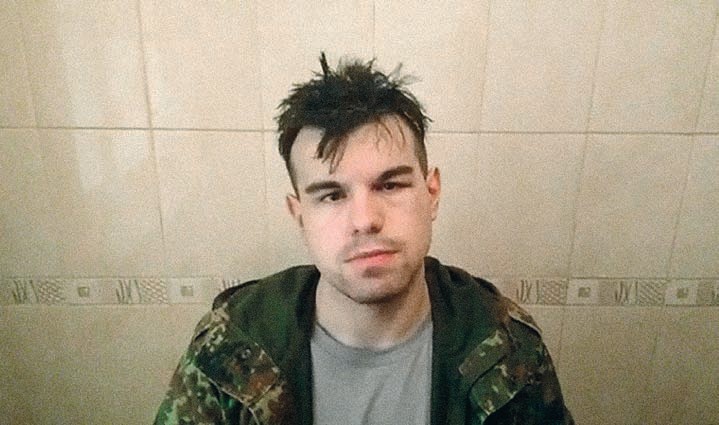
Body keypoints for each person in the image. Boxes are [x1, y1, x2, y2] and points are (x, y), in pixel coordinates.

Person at [154, 54, 574, 425]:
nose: (365, 220)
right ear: (299, 216)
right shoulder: (230, 349)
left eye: (390, 185)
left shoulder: (505, 349)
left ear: (432, 194)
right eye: (331, 195)